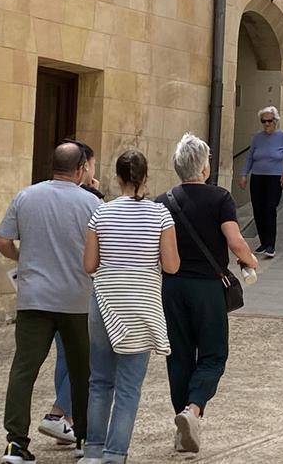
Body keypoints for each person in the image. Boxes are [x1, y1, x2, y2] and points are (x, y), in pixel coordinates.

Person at [0, 142, 101, 463]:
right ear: (81, 168)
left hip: (33, 297)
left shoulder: (26, 196)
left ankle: (15, 442)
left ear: (51, 165)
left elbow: (2, 240)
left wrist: (22, 257)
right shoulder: (91, 203)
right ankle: (83, 437)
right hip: (76, 299)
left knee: (24, 369)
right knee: (83, 370)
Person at [155, 134, 258, 453]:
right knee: (213, 354)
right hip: (207, 287)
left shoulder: (163, 200)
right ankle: (193, 409)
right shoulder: (219, 198)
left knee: (180, 356)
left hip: (172, 287)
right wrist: (250, 260)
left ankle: (183, 421)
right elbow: (235, 240)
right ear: (203, 167)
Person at [80, 150, 180, 464]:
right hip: (141, 305)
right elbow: (172, 265)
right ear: (146, 178)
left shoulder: (102, 213)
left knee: (99, 380)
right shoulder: (161, 215)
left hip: (106, 302)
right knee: (128, 386)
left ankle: (92, 451)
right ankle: (115, 454)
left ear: (118, 178)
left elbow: (89, 264)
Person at [39, 139, 103, 447]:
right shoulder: (89, 201)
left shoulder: (43, 196)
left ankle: (66, 421)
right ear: (82, 168)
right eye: (90, 164)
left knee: (65, 358)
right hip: (78, 290)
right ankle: (58, 413)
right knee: (85, 359)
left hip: (46, 290)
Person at [238, 106, 283, 258]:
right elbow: (250, 157)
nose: (266, 124)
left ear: (275, 121)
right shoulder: (257, 138)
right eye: (263, 121)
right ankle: (263, 242)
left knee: (269, 209)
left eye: (269, 121)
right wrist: (244, 174)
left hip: (274, 178)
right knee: (258, 210)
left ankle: (271, 244)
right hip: (258, 177)